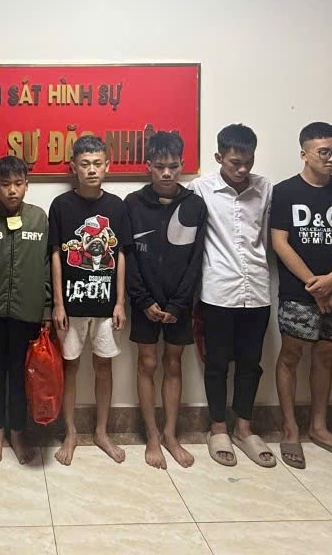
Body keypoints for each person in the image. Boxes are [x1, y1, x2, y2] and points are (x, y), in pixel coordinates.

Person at [272, 122, 332, 469]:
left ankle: (320, 427)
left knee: (326, 358)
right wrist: (316, 285)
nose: (331, 158)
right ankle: (290, 428)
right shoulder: (284, 191)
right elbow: (280, 242)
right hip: (298, 293)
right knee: (291, 356)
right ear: (304, 154)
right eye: (323, 152)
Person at [189, 124, 276, 468]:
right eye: (234, 162)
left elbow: (267, 238)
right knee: (216, 363)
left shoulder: (265, 189)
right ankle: (218, 428)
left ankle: (244, 427)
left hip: (257, 289)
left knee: (251, 364)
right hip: (217, 290)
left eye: (248, 162)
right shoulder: (200, 189)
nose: (242, 169)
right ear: (219, 157)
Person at [49, 135, 134, 465]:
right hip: (71, 306)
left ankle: (101, 431)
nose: (91, 169)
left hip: (106, 306)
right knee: (69, 367)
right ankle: (70, 432)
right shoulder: (61, 205)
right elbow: (56, 255)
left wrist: (120, 302)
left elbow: (121, 254)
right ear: (74, 167)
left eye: (97, 163)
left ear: (107, 166)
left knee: (103, 366)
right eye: (84, 164)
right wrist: (58, 303)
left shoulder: (117, 206)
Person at [126, 131, 206, 470]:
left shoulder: (194, 205)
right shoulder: (132, 203)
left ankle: (171, 434)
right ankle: (152, 436)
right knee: (147, 363)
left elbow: (197, 260)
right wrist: (143, 300)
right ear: (148, 166)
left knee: (174, 364)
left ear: (182, 165)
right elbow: (128, 258)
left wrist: (178, 305)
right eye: (160, 166)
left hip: (180, 302)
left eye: (173, 166)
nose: (167, 173)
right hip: (144, 301)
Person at [0, 155, 51, 464]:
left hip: (27, 312)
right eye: (5, 184)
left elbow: (47, 267)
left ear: (27, 185)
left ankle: (18, 431)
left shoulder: (39, 218)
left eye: (18, 183)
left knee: (21, 375)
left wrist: (47, 308)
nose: (12, 190)